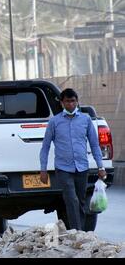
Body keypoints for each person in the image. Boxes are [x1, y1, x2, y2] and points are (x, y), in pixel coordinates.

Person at [39, 88, 106, 231]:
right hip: (63, 168)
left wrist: (101, 167)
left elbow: (94, 144)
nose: (70, 104)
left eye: (73, 101)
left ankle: (78, 231)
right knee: (71, 199)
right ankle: (77, 231)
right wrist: (43, 169)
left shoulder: (85, 119)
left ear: (77, 102)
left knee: (81, 201)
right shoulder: (54, 122)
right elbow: (45, 147)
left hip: (82, 167)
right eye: (67, 101)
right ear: (62, 103)